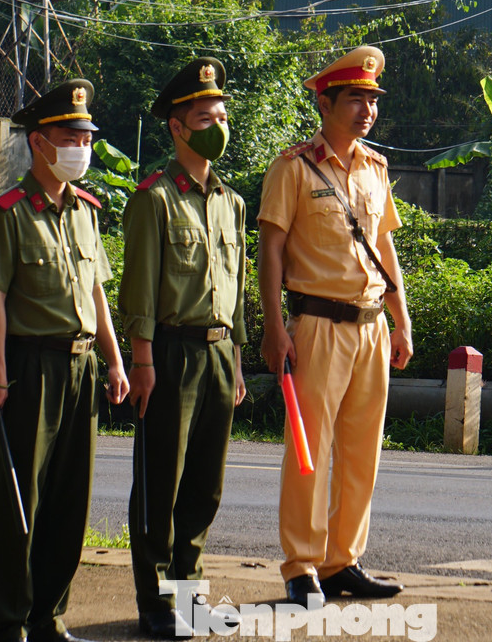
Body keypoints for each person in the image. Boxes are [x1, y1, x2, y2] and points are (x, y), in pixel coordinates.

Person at [256, 45, 414, 608]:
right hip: (317, 325)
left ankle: (342, 560)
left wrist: (402, 319)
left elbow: (385, 247)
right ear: (325, 102)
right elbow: (270, 251)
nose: (366, 109)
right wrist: (275, 327)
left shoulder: (376, 169)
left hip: (372, 325)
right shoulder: (293, 167)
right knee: (310, 451)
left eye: (372, 99)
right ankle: (301, 565)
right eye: (355, 98)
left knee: (361, 450)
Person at [0, 80, 130, 642]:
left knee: (71, 498)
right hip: (30, 366)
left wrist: (114, 362)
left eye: (87, 137)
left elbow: (97, 295)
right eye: (72, 137)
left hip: (83, 367)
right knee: (21, 500)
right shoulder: (10, 213)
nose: (83, 148)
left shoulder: (85, 212)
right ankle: (8, 623)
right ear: (41, 143)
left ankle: (49, 616)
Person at [118, 58, 248, 639]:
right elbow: (139, 292)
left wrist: (238, 361)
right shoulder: (154, 199)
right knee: (160, 484)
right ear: (177, 126)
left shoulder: (232, 202)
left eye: (221, 114)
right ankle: (155, 602)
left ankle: (189, 599)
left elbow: (237, 292)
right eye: (204, 116)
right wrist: (140, 361)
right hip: (170, 355)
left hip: (219, 355)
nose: (216, 124)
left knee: (204, 486)